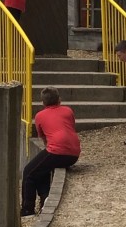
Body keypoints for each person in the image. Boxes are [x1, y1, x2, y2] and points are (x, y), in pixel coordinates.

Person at [21, 87, 81, 216]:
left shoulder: (40, 116)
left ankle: (27, 209)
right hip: (74, 153)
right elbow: (70, 127)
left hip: (57, 151)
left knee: (28, 172)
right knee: (41, 169)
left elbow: (43, 137)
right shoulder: (68, 111)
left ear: (43, 102)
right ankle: (45, 199)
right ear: (59, 99)